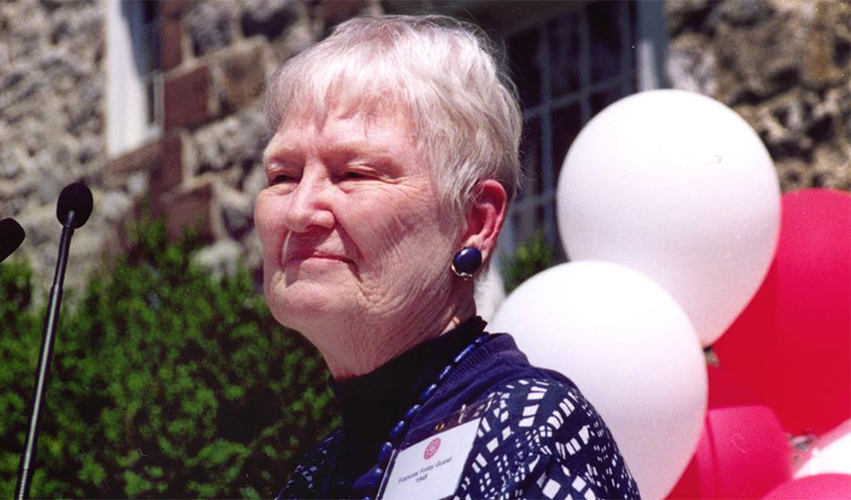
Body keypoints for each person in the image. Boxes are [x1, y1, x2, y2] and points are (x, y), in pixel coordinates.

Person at [254, 15, 640, 500]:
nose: (299, 211)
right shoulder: (312, 480)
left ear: (474, 223)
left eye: (354, 173)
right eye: (283, 176)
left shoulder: (528, 432)